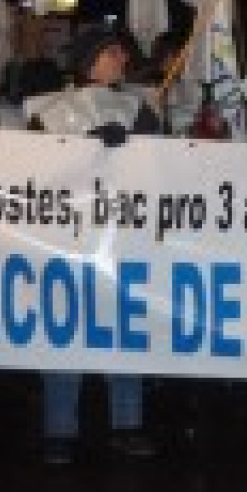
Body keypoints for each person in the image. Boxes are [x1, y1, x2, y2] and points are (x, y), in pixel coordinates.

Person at [24, 23, 162, 465]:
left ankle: (127, 422)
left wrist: (139, 142)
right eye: (112, 53)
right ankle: (59, 430)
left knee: (123, 329)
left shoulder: (138, 109)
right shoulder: (47, 111)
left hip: (120, 238)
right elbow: (33, 169)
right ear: (89, 61)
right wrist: (85, 150)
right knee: (65, 331)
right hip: (65, 238)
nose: (122, 60)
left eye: (122, 53)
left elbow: (160, 167)